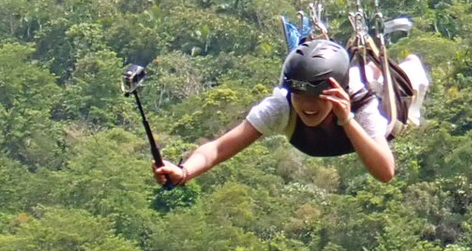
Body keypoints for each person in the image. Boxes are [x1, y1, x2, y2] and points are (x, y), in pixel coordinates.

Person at [153, 37, 426, 187]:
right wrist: (184, 171)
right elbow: (218, 148)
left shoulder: (360, 104)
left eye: (316, 98)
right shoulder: (281, 107)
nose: (307, 105)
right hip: (344, 92)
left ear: (334, 94)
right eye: (300, 95)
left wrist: (347, 119)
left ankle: (403, 62)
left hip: (381, 103)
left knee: (411, 80)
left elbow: (386, 172)